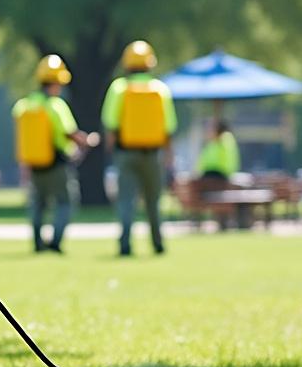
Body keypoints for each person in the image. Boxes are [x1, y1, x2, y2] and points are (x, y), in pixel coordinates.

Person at [102, 40, 178, 256]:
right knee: (153, 201)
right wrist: (169, 156)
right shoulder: (160, 90)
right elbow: (168, 128)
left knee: (126, 200)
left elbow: (111, 124)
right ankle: (158, 244)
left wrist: (111, 152)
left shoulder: (119, 89)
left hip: (125, 153)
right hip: (153, 154)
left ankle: (125, 244)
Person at [13, 55, 88, 253]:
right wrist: (86, 141)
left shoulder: (24, 105)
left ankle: (37, 243)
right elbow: (69, 133)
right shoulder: (56, 105)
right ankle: (55, 242)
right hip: (57, 165)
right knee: (65, 202)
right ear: (56, 82)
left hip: (34, 164)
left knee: (38, 205)